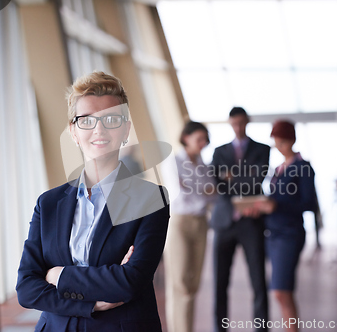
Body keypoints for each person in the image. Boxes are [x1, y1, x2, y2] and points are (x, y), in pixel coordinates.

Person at [16, 71, 170, 332]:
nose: (99, 129)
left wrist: (57, 274)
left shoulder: (151, 199)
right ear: (73, 132)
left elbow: (129, 282)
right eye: (86, 120)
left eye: (111, 119)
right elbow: (27, 288)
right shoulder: (49, 203)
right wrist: (91, 304)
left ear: (125, 129)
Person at [245, 120, 316, 332]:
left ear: (292, 140)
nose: (279, 145)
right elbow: (275, 200)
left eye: (283, 141)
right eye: (276, 141)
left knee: (281, 291)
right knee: (281, 291)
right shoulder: (278, 169)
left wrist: (277, 205)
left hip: (289, 234)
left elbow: (309, 203)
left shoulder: (303, 167)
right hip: (273, 234)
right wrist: (261, 206)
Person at [210, 107, 270, 332]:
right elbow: (216, 183)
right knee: (220, 282)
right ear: (230, 123)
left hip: (251, 222)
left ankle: (261, 329)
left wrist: (230, 175)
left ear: (248, 122)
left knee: (258, 280)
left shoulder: (262, 149)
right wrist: (243, 175)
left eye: (242, 123)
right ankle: (220, 328)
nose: (238, 127)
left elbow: (258, 177)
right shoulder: (219, 151)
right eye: (234, 123)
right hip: (224, 222)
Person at [163, 121, 215, 332]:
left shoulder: (202, 164)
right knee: (181, 283)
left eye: (205, 140)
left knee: (193, 285)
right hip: (180, 223)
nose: (203, 144)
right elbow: (179, 193)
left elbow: (215, 194)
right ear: (186, 137)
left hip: (201, 224)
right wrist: (204, 191)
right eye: (199, 139)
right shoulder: (173, 162)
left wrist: (197, 189)